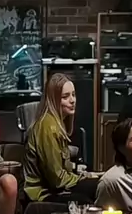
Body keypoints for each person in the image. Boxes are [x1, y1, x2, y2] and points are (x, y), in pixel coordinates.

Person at [24, 73, 99, 205]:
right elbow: (57, 179)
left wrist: (84, 174)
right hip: (41, 193)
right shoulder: (48, 126)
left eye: (73, 95)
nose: (72, 100)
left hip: (53, 188)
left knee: (101, 185)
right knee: (98, 189)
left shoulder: (56, 123)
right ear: (54, 99)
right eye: (65, 97)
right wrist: (83, 178)